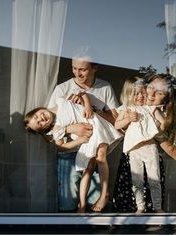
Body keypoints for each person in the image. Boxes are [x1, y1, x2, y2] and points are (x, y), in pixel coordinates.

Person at [47, 46, 120, 212]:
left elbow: (115, 120)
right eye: (74, 68)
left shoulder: (105, 88)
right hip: (69, 153)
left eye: (82, 70)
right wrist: (72, 128)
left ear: (95, 68)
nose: (77, 73)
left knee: (95, 209)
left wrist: (93, 110)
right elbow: (49, 124)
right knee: (68, 205)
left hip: (97, 153)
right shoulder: (62, 89)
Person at [24, 93, 123, 213]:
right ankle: (82, 204)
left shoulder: (61, 101)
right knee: (88, 169)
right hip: (90, 135)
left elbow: (83, 94)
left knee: (100, 157)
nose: (41, 119)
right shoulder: (57, 127)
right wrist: (79, 141)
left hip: (98, 125)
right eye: (39, 124)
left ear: (38, 109)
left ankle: (104, 195)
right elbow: (60, 146)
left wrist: (87, 106)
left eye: (36, 117)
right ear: (45, 128)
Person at [115, 76, 167, 213]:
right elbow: (117, 124)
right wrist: (127, 119)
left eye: (142, 93)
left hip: (150, 148)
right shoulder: (127, 109)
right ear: (129, 95)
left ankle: (158, 207)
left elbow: (164, 122)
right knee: (137, 181)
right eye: (135, 93)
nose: (139, 96)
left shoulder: (151, 108)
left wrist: (156, 132)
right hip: (134, 150)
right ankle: (140, 206)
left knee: (154, 179)